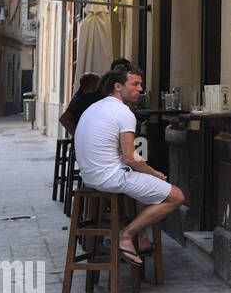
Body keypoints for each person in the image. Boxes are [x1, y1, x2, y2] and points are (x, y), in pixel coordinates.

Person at [73, 67, 185, 266]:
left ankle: (141, 239)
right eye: (135, 84)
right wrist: (155, 173)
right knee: (176, 196)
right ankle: (126, 235)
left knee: (143, 185)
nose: (140, 89)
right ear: (118, 86)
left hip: (89, 178)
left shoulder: (94, 108)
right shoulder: (123, 112)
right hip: (111, 178)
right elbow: (131, 158)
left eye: (140, 84)